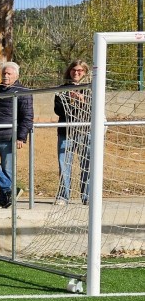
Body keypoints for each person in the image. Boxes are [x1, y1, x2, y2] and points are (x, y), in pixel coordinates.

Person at [0, 62, 34, 209]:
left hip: (9, 135)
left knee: (7, 168)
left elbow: (27, 116)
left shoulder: (23, 92)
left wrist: (21, 136)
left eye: (9, 74)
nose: (5, 76)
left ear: (16, 75)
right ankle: (10, 189)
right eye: (4, 73)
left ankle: (4, 199)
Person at [54, 60, 91, 204]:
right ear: (69, 71)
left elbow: (94, 110)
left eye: (80, 70)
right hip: (66, 133)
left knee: (87, 165)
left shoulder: (90, 89)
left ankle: (87, 196)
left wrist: (83, 101)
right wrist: (70, 100)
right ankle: (63, 196)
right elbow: (57, 110)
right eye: (74, 70)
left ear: (85, 72)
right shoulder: (61, 89)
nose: (76, 72)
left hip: (85, 131)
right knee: (64, 165)